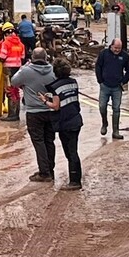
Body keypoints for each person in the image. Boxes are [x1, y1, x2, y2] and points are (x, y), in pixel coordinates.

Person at [11, 48, 58, 182]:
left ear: (32, 58)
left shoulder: (26, 71)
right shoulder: (53, 70)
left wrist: (23, 67)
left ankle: (44, 172)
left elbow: (14, 82)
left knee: (39, 142)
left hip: (33, 112)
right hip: (50, 111)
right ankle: (50, 169)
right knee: (49, 141)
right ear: (46, 58)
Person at [41, 58, 83, 190]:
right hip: (76, 119)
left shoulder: (54, 87)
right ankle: (76, 177)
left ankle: (75, 182)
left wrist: (44, 101)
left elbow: (55, 106)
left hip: (65, 123)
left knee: (70, 153)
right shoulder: (73, 82)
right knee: (74, 151)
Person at [94, 38, 129, 140]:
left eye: (119, 48)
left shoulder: (124, 56)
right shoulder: (104, 53)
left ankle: (116, 131)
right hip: (104, 85)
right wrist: (100, 80)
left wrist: (124, 81)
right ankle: (104, 123)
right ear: (111, 46)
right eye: (115, 48)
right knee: (102, 106)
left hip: (117, 87)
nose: (117, 50)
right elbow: (98, 66)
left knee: (116, 109)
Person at [0, 22, 27, 122]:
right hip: (18, 69)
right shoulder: (20, 43)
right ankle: (16, 114)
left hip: (8, 69)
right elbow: (23, 57)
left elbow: (2, 57)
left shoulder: (5, 43)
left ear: (5, 34)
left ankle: (12, 115)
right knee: (16, 91)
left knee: (10, 92)